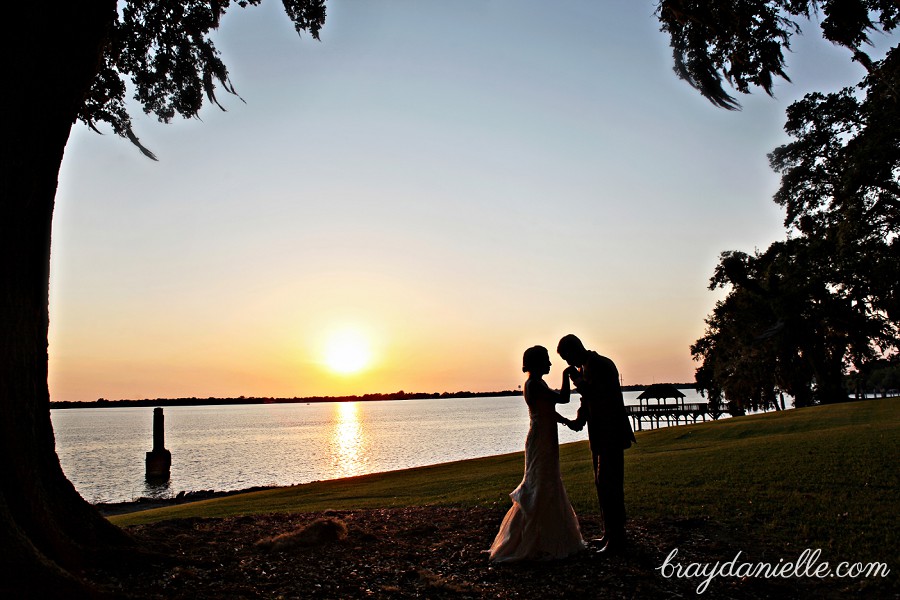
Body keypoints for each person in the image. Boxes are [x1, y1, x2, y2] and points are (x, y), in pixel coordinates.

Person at [489, 346, 585, 562]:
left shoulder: (538, 384)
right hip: (541, 440)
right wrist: (565, 376)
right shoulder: (533, 384)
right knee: (540, 483)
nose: (550, 364)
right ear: (537, 363)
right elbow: (562, 398)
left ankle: (549, 536)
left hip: (547, 436)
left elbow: (548, 409)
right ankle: (531, 540)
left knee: (549, 480)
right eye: (547, 360)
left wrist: (566, 422)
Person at [557, 334, 635, 555]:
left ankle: (617, 537)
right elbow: (586, 400)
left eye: (566, 357)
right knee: (601, 485)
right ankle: (609, 532)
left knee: (610, 484)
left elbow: (597, 394)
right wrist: (579, 421)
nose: (566, 362)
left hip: (611, 433)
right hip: (598, 435)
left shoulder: (600, 364)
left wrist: (577, 381)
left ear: (574, 349)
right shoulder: (585, 367)